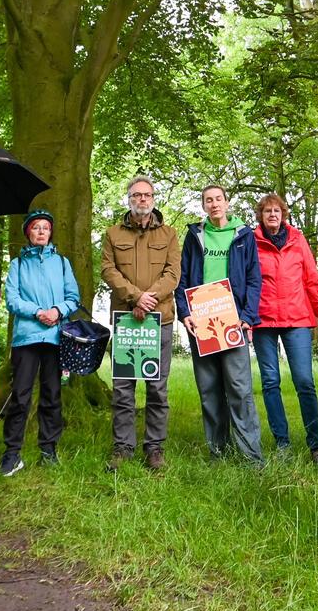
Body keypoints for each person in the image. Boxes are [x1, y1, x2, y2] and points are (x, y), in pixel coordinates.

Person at [175, 186, 263, 465]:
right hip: (200, 320)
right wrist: (184, 312)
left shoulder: (243, 235)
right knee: (209, 388)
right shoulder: (194, 236)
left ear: (227, 203)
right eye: (208, 200)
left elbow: (253, 279)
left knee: (239, 387)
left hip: (233, 320)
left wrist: (248, 316)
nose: (214, 204)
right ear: (203, 205)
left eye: (218, 199)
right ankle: (218, 452)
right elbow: (182, 278)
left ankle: (251, 455)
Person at [100, 177, 179, 471]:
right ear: (128, 199)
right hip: (127, 320)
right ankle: (122, 447)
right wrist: (135, 298)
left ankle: (155, 448)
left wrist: (150, 299)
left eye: (147, 195)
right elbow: (108, 269)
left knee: (157, 387)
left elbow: (173, 273)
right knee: (123, 387)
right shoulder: (112, 234)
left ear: (153, 198)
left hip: (161, 319)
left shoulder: (169, 235)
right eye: (136, 195)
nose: (142, 200)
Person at [250, 192, 318, 464]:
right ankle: (281, 441)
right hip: (263, 321)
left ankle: (316, 444)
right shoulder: (251, 241)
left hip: (297, 319)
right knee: (270, 383)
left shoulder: (298, 240)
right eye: (267, 211)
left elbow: (311, 280)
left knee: (305, 382)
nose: (273, 215)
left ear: (283, 215)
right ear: (260, 216)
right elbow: (245, 281)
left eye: (277, 211)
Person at [0, 209, 78, 474]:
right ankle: (12, 453)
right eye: (36, 227)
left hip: (56, 338)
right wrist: (37, 312)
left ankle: (48, 449)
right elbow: (12, 299)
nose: (42, 231)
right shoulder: (17, 265)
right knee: (20, 397)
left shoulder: (63, 262)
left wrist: (57, 311)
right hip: (26, 338)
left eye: (46, 227)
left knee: (52, 396)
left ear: (51, 232)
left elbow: (73, 296)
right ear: (28, 233)